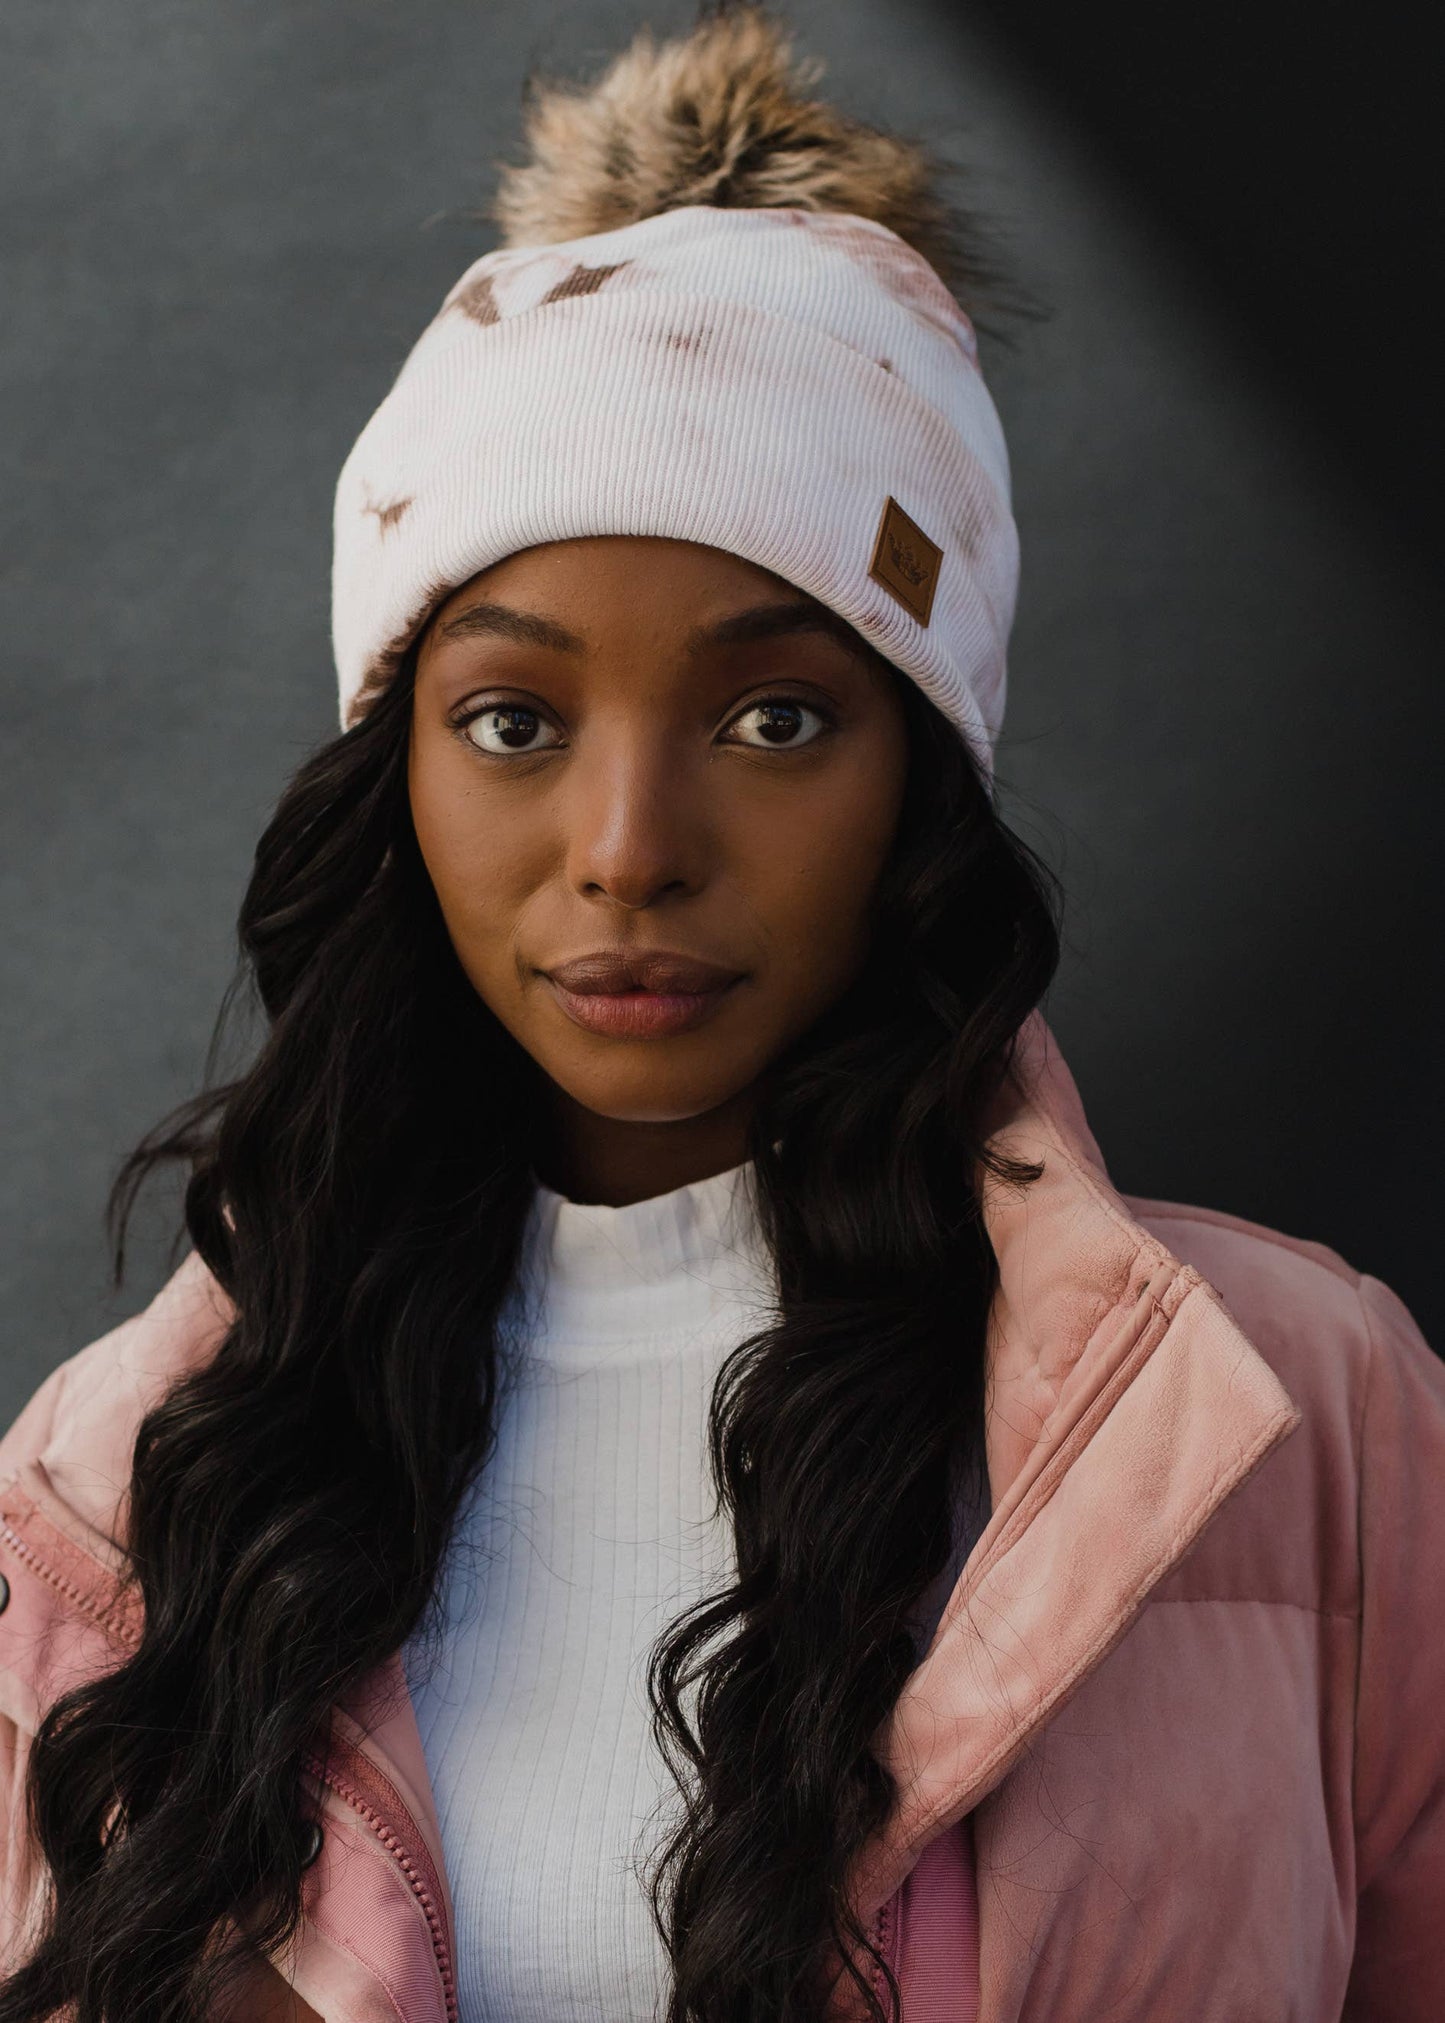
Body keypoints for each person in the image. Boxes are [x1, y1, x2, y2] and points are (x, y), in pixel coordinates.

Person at [1, 9, 1441, 2021]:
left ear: (919, 776)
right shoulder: (112, 1482)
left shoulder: (1309, 1413)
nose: (628, 846)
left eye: (777, 715)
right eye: (512, 717)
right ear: (392, 780)